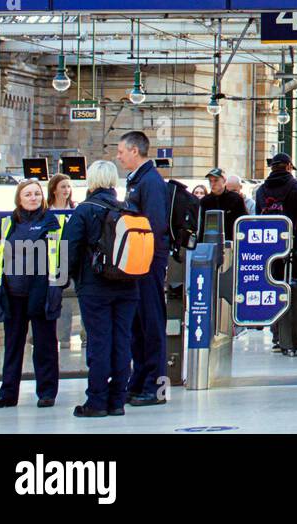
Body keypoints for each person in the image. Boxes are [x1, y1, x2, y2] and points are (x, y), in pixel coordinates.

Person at [62, 159, 140, 418]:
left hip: (95, 287)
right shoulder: (128, 208)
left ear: (92, 180)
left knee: (99, 343)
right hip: (128, 286)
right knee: (122, 342)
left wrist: (71, 278)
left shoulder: (85, 210)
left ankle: (96, 402)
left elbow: (69, 249)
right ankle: (117, 400)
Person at [0, 179, 65, 409]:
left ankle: (47, 393)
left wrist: (58, 285)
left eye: (37, 194)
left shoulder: (53, 222)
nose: (33, 198)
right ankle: (8, 394)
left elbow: (64, 255)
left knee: (45, 345)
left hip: (42, 294)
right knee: (12, 346)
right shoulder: (6, 223)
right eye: (28, 194)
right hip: (12, 295)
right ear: (19, 198)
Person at [116, 130, 170, 407]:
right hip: (136, 263)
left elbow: (155, 224)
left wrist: (147, 261)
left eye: (121, 151)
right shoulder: (137, 180)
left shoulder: (150, 182)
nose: (119, 156)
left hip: (147, 262)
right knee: (137, 324)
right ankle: (139, 381)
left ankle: (155, 385)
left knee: (151, 323)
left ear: (134, 151)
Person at [256, 153, 297, 249]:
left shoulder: (261, 190)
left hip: (268, 240)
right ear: (289, 166)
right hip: (293, 240)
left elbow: (258, 216)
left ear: (272, 168)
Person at [200, 167, 248, 240]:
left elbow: (244, 222)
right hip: (209, 242)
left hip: (232, 242)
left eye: (216, 181)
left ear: (224, 181)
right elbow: (201, 226)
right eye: (210, 181)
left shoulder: (236, 199)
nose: (212, 184)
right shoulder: (204, 201)